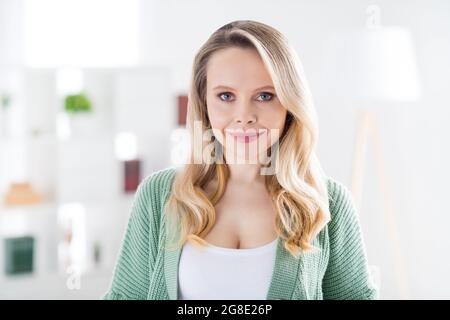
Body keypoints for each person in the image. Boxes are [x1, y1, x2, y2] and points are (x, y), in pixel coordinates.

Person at [102, 20, 378, 300]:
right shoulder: (159, 196)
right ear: (204, 102)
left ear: (289, 104)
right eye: (225, 96)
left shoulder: (327, 204)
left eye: (264, 96)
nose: (244, 115)